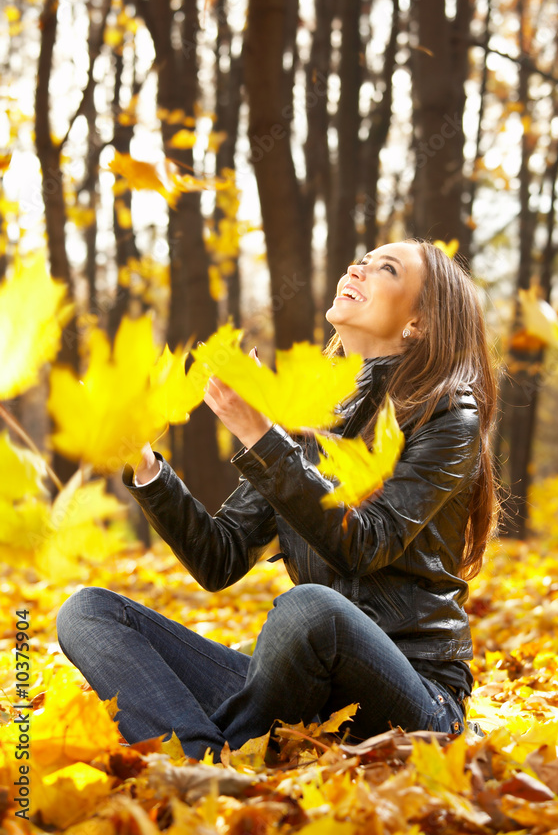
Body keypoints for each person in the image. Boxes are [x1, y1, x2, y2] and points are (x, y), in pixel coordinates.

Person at [56, 238, 499, 761]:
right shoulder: (313, 415)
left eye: (385, 268)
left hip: (412, 698)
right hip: (302, 694)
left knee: (312, 610)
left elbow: (366, 545)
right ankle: (203, 761)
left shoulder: (446, 415)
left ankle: (224, 744)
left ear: (418, 322)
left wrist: (261, 437)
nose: (355, 269)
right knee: (87, 611)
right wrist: (144, 463)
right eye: (358, 259)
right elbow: (218, 558)